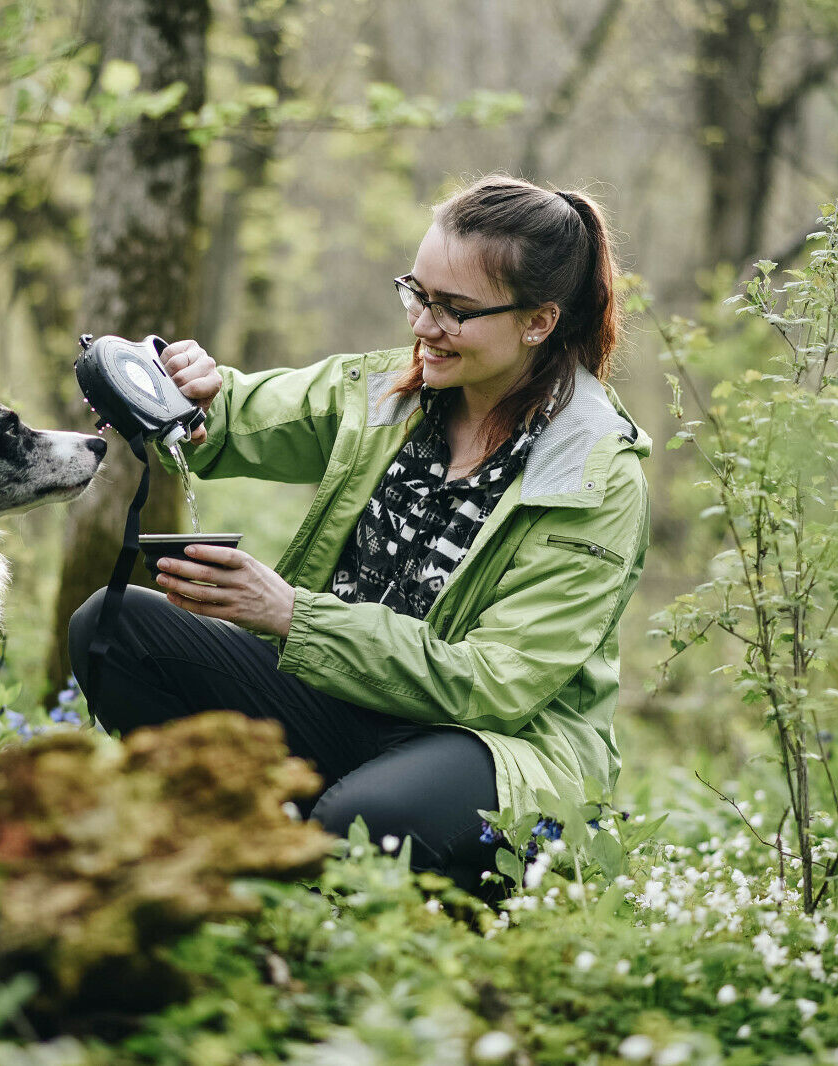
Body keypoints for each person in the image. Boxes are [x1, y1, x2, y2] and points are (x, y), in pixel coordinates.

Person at [68, 174, 651, 897]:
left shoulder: (595, 476)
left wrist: (290, 615)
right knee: (112, 628)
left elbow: (498, 683)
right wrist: (184, 394)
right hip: (343, 700)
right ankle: (243, 857)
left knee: (364, 820)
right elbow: (250, 413)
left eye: (456, 310)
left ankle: (384, 876)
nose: (423, 326)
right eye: (418, 294)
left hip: (498, 748)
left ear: (538, 322)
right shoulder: (397, 390)